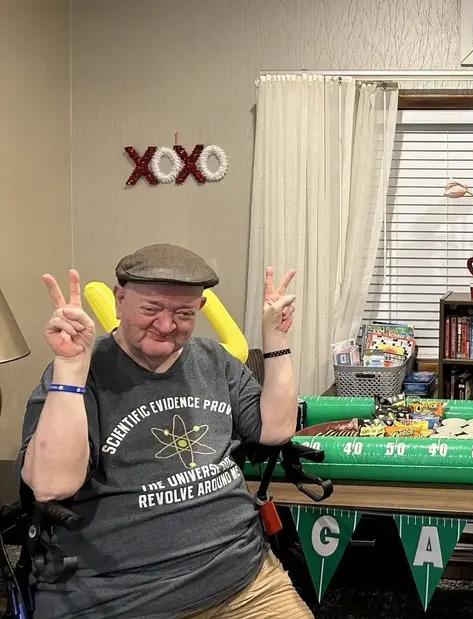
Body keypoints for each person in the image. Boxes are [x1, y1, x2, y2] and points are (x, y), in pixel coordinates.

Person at [18, 243, 314, 619]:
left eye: (183, 313)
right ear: (119, 300)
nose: (165, 325)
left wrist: (277, 339)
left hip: (247, 582)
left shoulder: (215, 361)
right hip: (122, 600)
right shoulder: (82, 371)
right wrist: (70, 368)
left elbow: (276, 429)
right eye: (151, 309)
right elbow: (51, 485)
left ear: (200, 309)